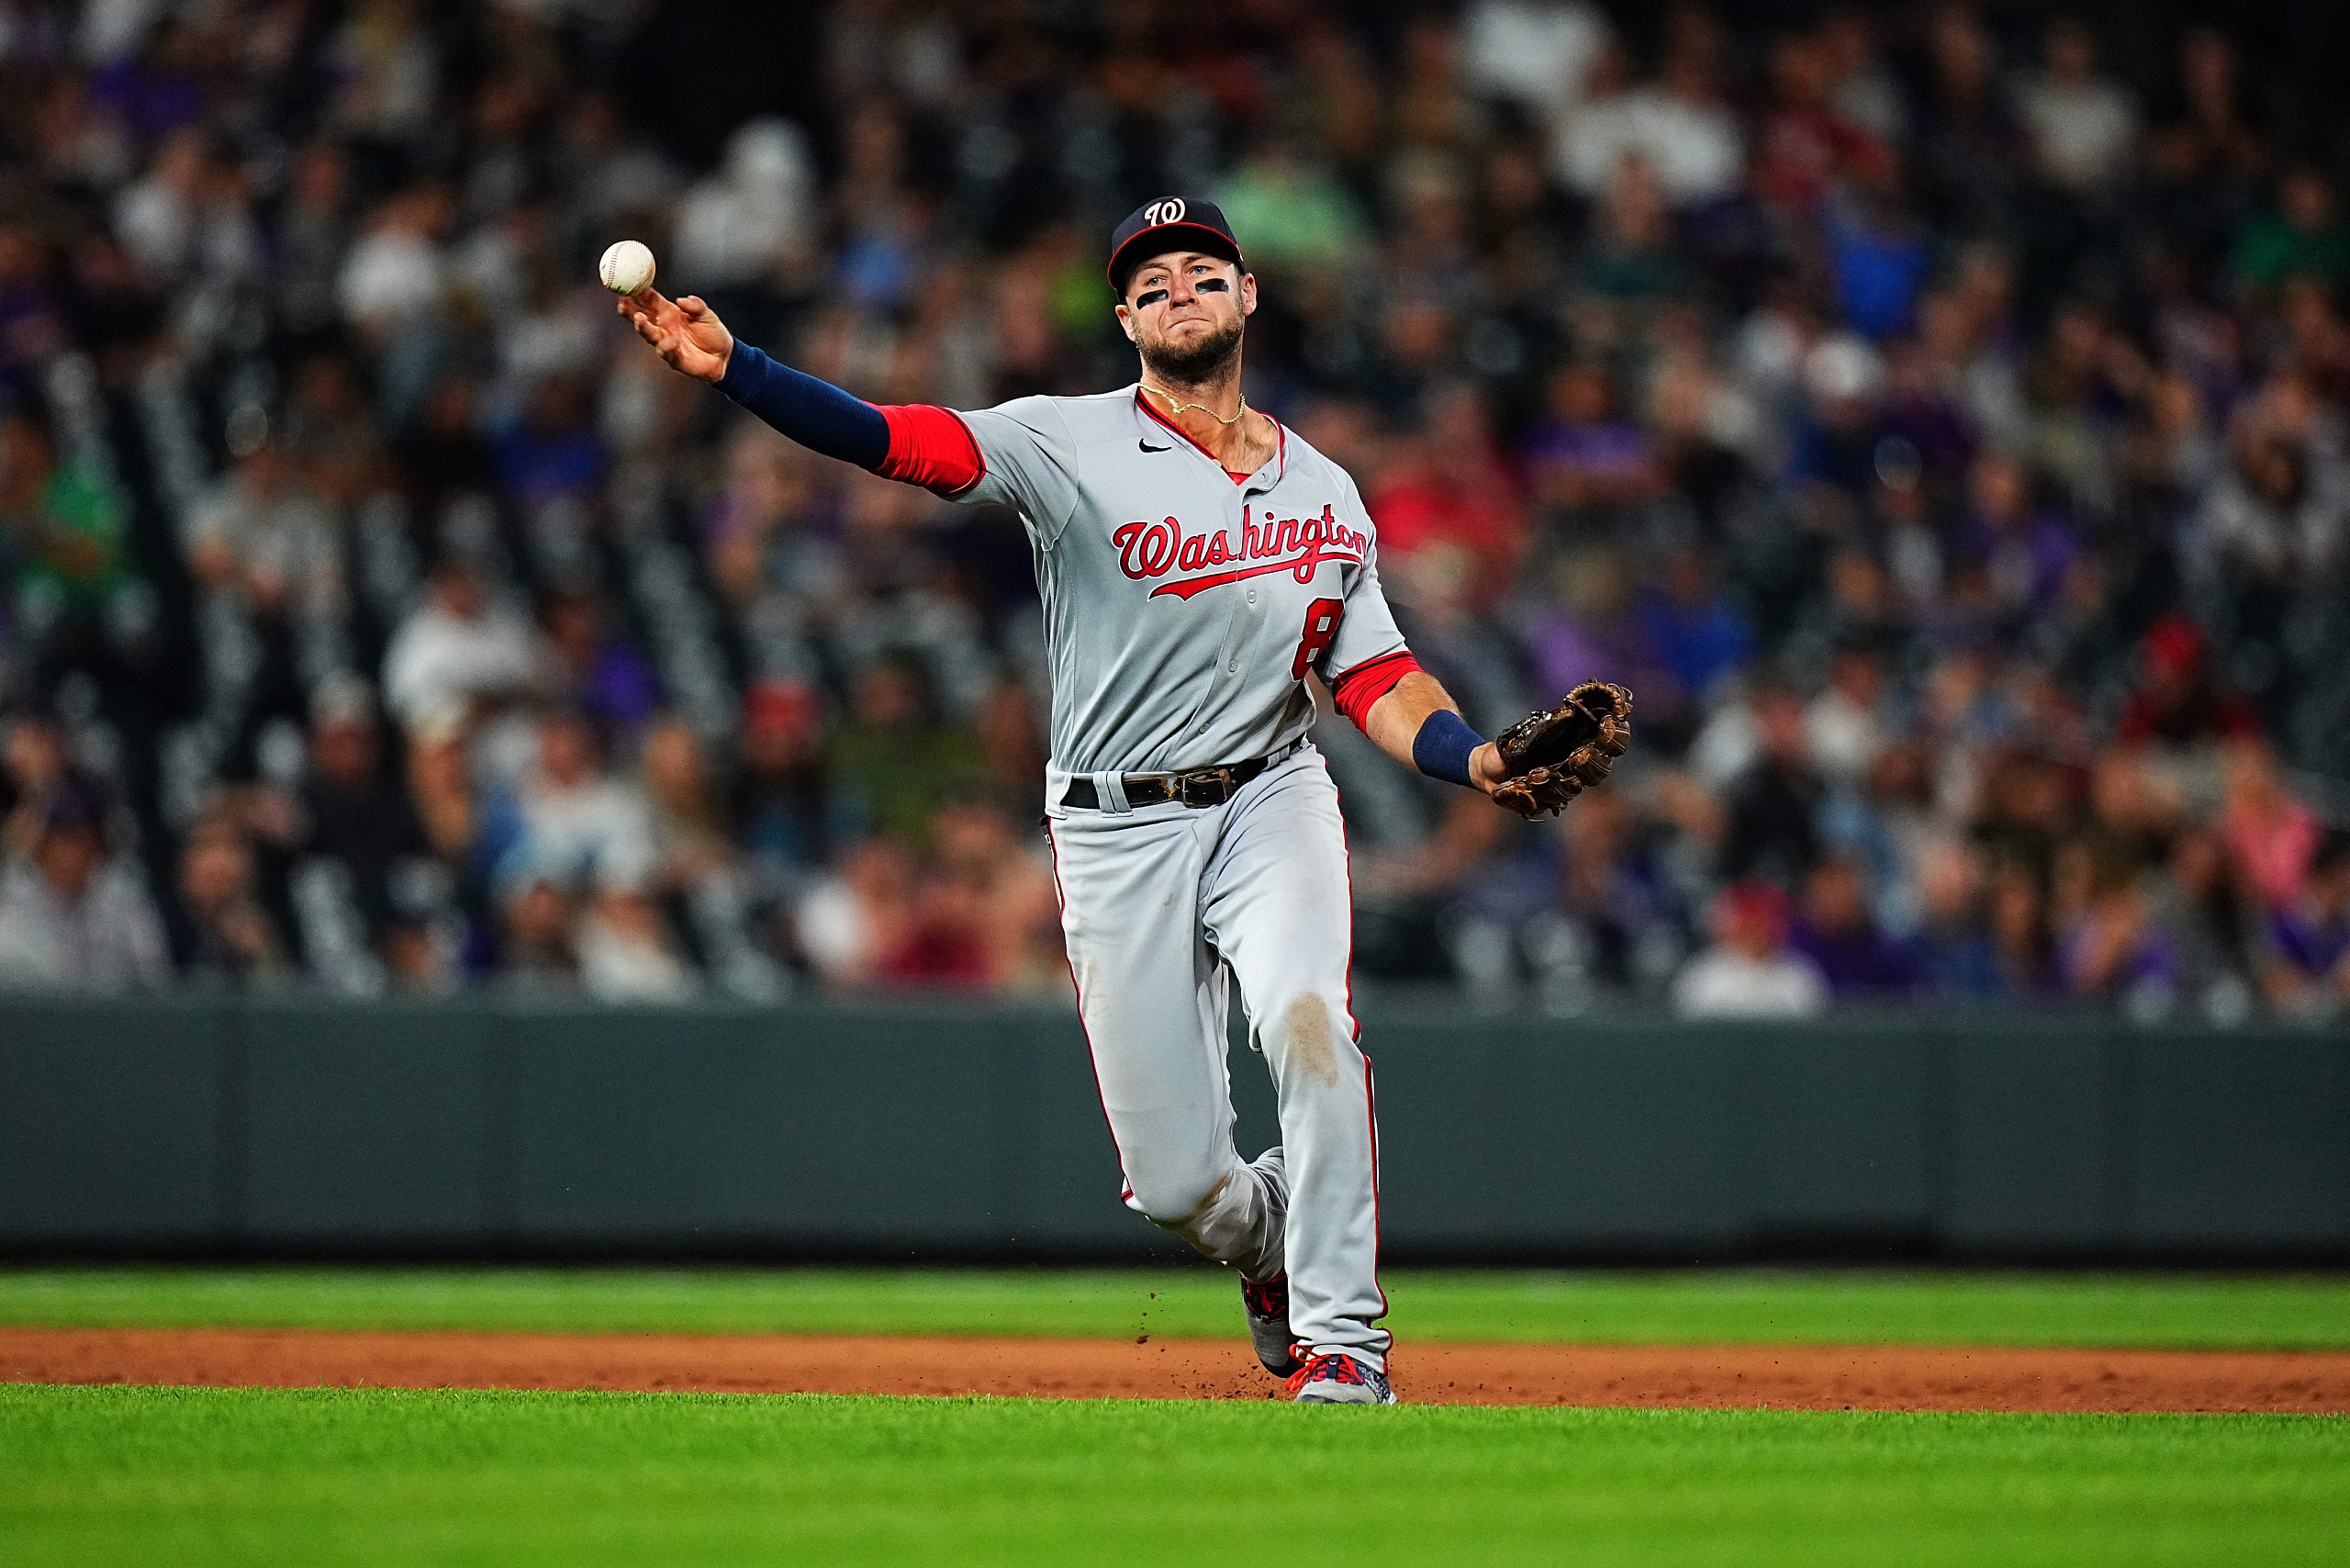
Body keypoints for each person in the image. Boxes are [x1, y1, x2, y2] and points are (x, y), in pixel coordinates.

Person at [618, 198, 1631, 1404]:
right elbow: (899, 439)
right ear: (1124, 319)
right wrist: (741, 369)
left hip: (1271, 797)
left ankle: (1346, 1343)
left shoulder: (1325, 487)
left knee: (1312, 1024)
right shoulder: (1066, 441)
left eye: (1203, 272)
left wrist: (1468, 758)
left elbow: (1372, 673)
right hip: (1114, 824)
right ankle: (1265, 1252)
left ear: (1249, 297)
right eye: (1152, 285)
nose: (1178, 292)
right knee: (1176, 1187)